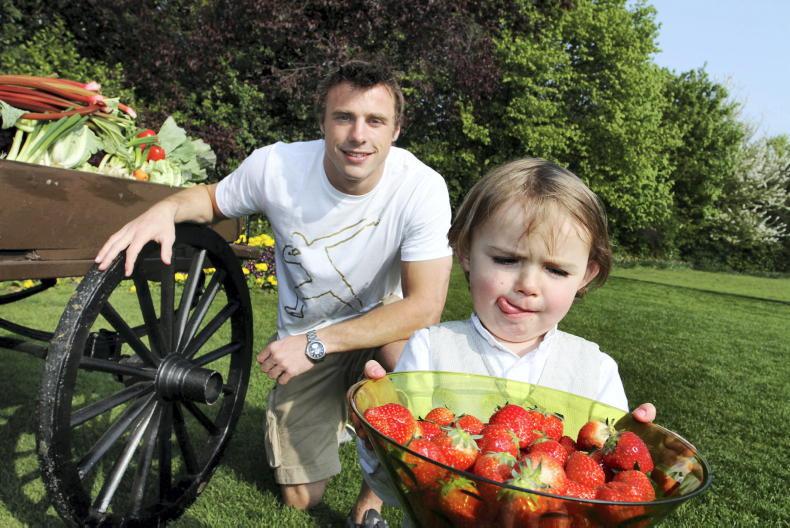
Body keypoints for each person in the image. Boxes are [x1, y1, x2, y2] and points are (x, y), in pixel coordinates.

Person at [94, 60, 454, 520]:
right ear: (322, 122)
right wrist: (164, 210)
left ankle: (371, 502)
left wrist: (316, 343)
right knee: (302, 497)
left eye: (375, 121)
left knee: (411, 365)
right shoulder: (277, 166)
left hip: (378, 323)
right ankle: (344, 408)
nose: (358, 135)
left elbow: (425, 306)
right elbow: (210, 199)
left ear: (396, 130)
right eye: (344, 117)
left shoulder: (422, 188)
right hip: (307, 333)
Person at [352, 158, 657, 525]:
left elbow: (609, 496)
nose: (528, 285)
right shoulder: (430, 350)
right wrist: (376, 441)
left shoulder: (595, 371)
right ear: (466, 252)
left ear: (586, 274)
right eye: (506, 259)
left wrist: (641, 455)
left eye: (556, 269)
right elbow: (397, 487)